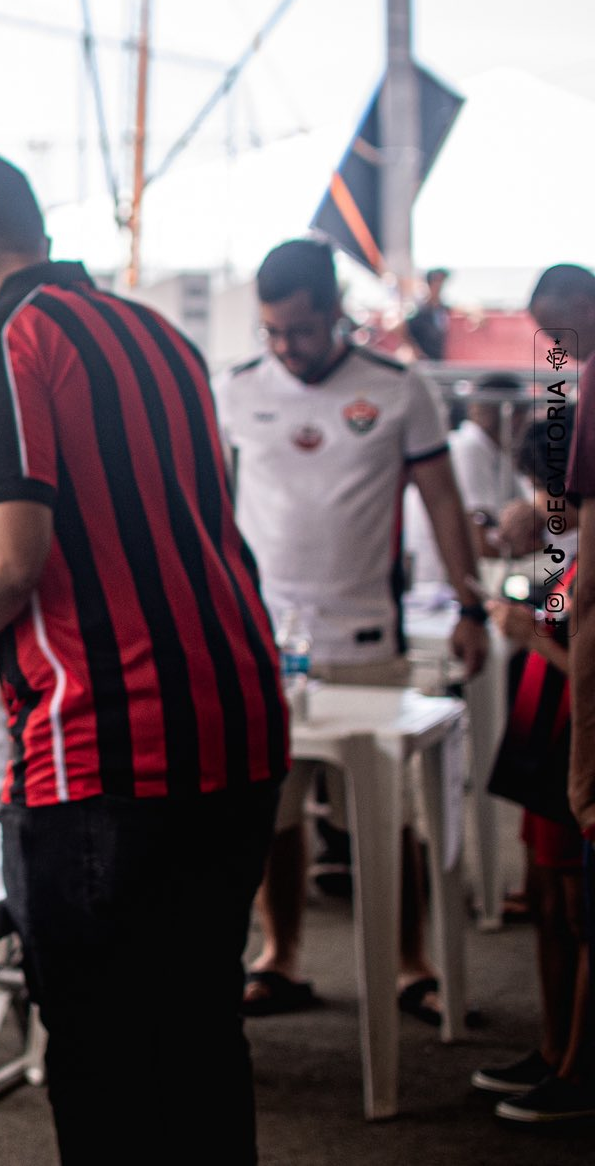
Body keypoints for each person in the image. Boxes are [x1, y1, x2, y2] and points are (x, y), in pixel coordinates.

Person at [0, 148, 286, 1165]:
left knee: (107, 1056)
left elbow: (4, 558)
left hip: (107, 753)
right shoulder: (160, 339)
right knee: (200, 1032)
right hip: (237, 720)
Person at [215, 237, 488, 1027]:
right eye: (272, 332)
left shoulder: (399, 390)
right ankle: (282, 957)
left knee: (387, 812)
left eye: (300, 331)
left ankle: (411, 962)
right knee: (276, 811)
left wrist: (470, 608)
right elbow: (210, 503)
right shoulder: (235, 390)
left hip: (367, 635)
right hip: (266, 639)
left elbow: (440, 500)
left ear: (336, 315)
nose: (286, 348)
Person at [474, 411, 595, 1122]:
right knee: (550, 905)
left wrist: (529, 637)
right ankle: (555, 1049)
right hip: (543, 734)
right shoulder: (569, 551)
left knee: (577, 912)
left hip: (567, 738)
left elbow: (583, 660)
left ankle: (578, 1069)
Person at [405, 371, 525, 591]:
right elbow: (479, 541)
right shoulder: (470, 447)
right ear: (513, 414)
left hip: (445, 585)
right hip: (435, 586)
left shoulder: (497, 455)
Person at [406, 267, 452, 361]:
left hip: (437, 360)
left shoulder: (440, 308)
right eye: (437, 282)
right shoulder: (419, 309)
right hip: (422, 362)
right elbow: (401, 327)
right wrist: (415, 350)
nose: (440, 286)